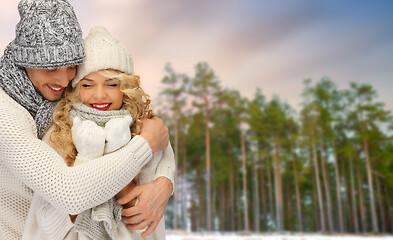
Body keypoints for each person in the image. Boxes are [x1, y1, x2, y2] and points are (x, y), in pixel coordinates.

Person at [0, 0, 174, 239]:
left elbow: (159, 144)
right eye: (51, 69)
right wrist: (144, 144)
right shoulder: (5, 115)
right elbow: (68, 192)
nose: (63, 81)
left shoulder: (62, 99)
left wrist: (164, 183)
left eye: (72, 66)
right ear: (24, 62)